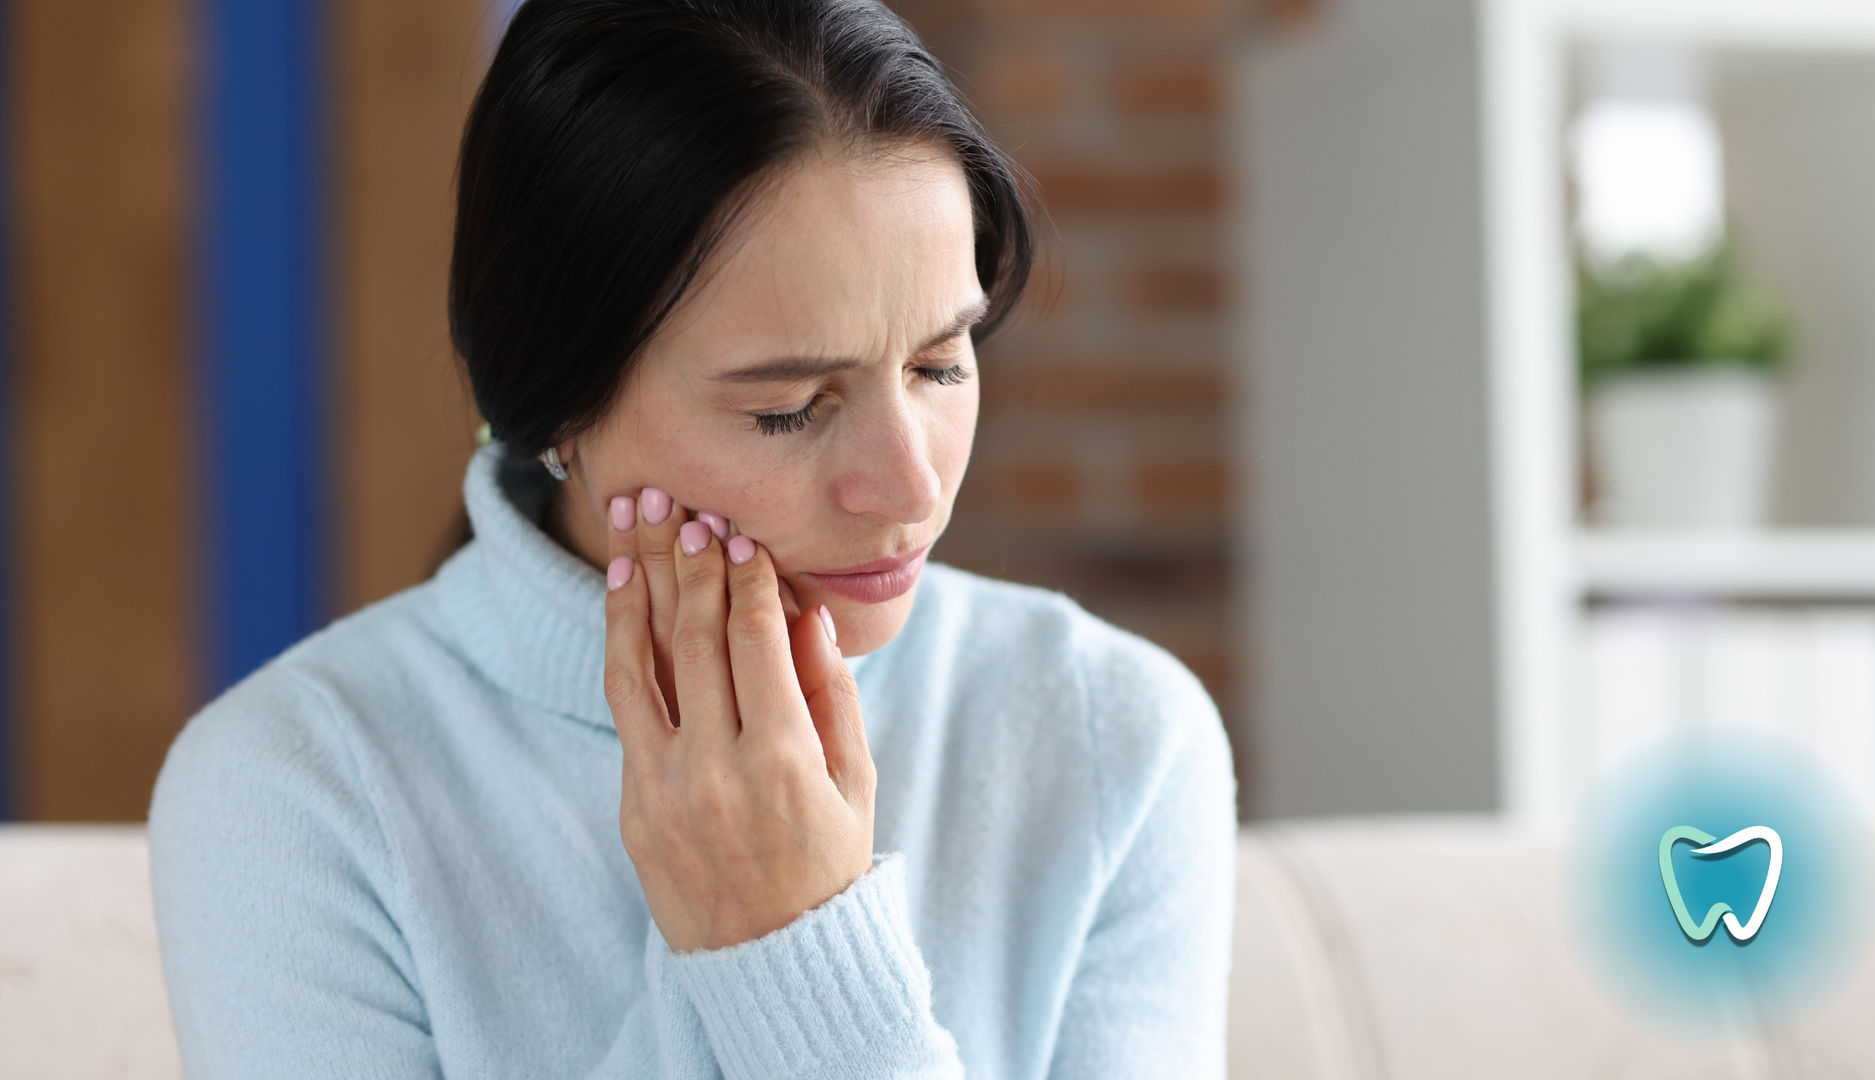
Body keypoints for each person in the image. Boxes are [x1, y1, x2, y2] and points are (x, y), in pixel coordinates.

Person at [148, 0, 1236, 1075]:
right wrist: (766, 944)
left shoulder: (1111, 735)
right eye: (789, 407)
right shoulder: (293, 792)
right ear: (558, 408)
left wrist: (795, 947)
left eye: (941, 364)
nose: (907, 486)